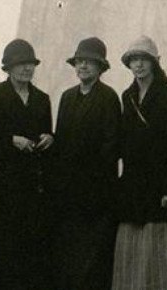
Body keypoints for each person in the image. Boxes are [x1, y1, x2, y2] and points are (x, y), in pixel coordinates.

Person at [0, 38, 56, 289]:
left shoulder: (41, 99)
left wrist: (49, 138)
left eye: (30, 64)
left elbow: (46, 133)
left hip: (32, 195)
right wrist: (10, 140)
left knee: (29, 263)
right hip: (1, 197)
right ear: (8, 68)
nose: (26, 69)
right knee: (0, 263)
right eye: (20, 64)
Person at [112, 35, 167, 290]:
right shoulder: (128, 96)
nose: (139, 65)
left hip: (160, 184)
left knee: (159, 255)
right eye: (134, 60)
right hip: (133, 183)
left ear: (154, 63)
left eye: (144, 59)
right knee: (132, 253)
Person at [52, 37, 120, 290]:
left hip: (96, 197)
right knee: (69, 262)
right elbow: (61, 143)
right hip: (68, 196)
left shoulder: (108, 98)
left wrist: (94, 187)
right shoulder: (68, 98)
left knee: (94, 265)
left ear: (100, 67)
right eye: (79, 62)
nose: (83, 67)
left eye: (89, 63)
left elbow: (110, 148)